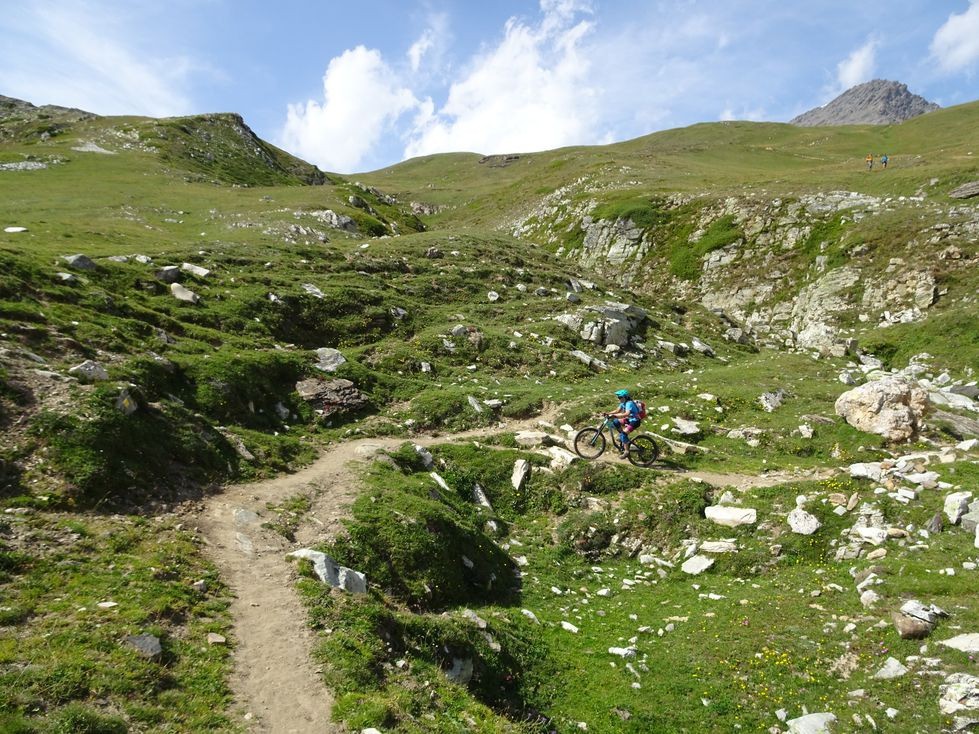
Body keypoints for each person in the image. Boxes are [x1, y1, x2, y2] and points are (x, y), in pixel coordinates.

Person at [608, 389, 641, 459]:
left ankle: (626, 451)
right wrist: (608, 413)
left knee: (623, 434)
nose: (618, 399)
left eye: (620, 397)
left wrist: (615, 416)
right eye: (618, 397)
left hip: (635, 421)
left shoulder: (629, 403)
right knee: (616, 421)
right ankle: (623, 438)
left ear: (625, 397)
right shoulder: (623, 403)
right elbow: (617, 410)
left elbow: (626, 414)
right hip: (629, 419)